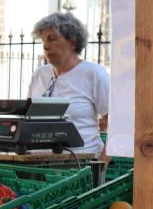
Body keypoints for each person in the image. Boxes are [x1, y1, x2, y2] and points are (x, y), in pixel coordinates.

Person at [28, 12, 110, 158]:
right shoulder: (39, 74)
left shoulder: (94, 74)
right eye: (43, 40)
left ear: (72, 42)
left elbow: (115, 123)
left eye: (52, 39)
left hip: (80, 167)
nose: (46, 46)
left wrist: (101, 164)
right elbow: (27, 118)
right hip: (37, 167)